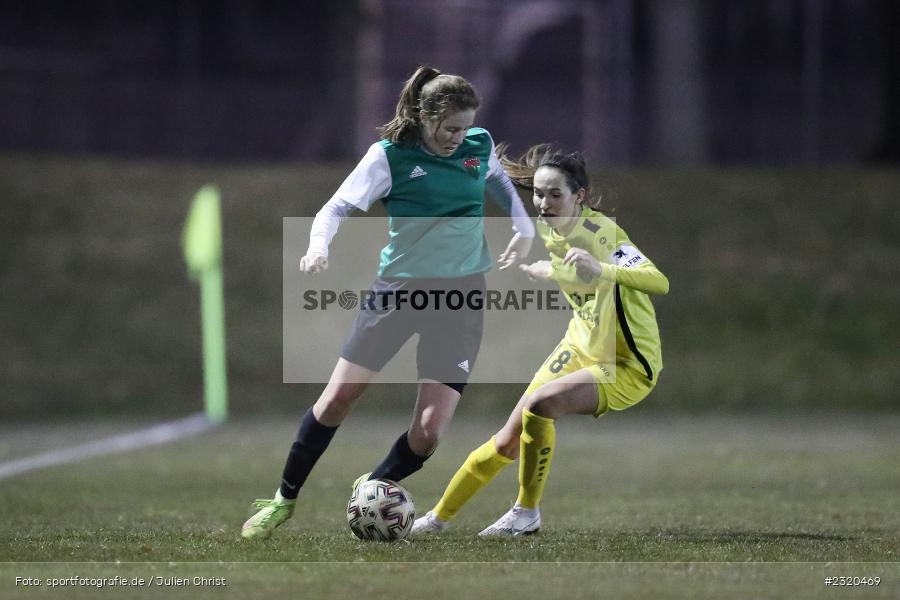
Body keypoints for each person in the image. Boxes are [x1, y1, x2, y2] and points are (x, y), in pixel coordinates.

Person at [241, 66, 535, 540]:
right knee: (337, 399)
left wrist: (524, 228)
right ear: (425, 116)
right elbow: (335, 207)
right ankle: (282, 501)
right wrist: (318, 247)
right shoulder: (389, 157)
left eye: (465, 127)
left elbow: (496, 178)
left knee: (429, 434)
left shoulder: (477, 145)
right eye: (450, 128)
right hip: (398, 292)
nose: (459, 138)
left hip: (461, 299)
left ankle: (376, 485)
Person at [411, 144, 669, 536]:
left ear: (578, 196)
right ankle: (436, 520)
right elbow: (577, 274)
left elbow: (658, 281)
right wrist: (548, 271)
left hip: (627, 364)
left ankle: (526, 513)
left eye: (555, 194)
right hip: (579, 346)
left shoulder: (604, 233)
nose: (543, 203)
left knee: (540, 404)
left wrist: (604, 267)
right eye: (538, 193)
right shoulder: (551, 228)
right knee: (506, 441)